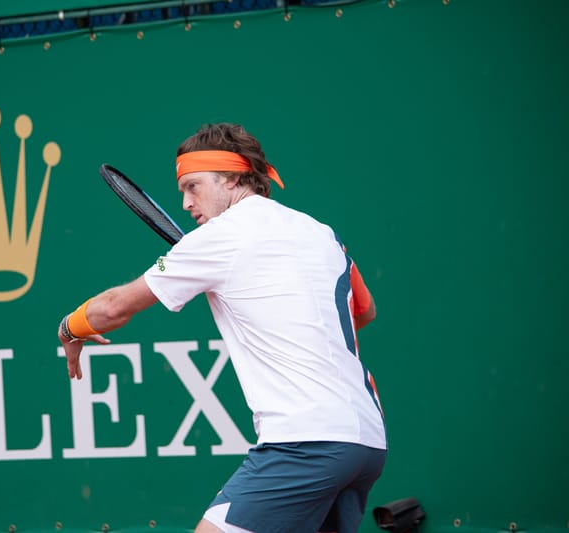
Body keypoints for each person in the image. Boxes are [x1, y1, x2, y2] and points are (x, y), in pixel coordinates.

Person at [57, 123, 387, 533]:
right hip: (367, 441)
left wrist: (69, 329)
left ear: (231, 178)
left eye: (193, 186)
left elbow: (113, 309)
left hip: (306, 442)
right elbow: (365, 310)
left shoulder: (218, 237)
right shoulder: (319, 233)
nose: (184, 202)